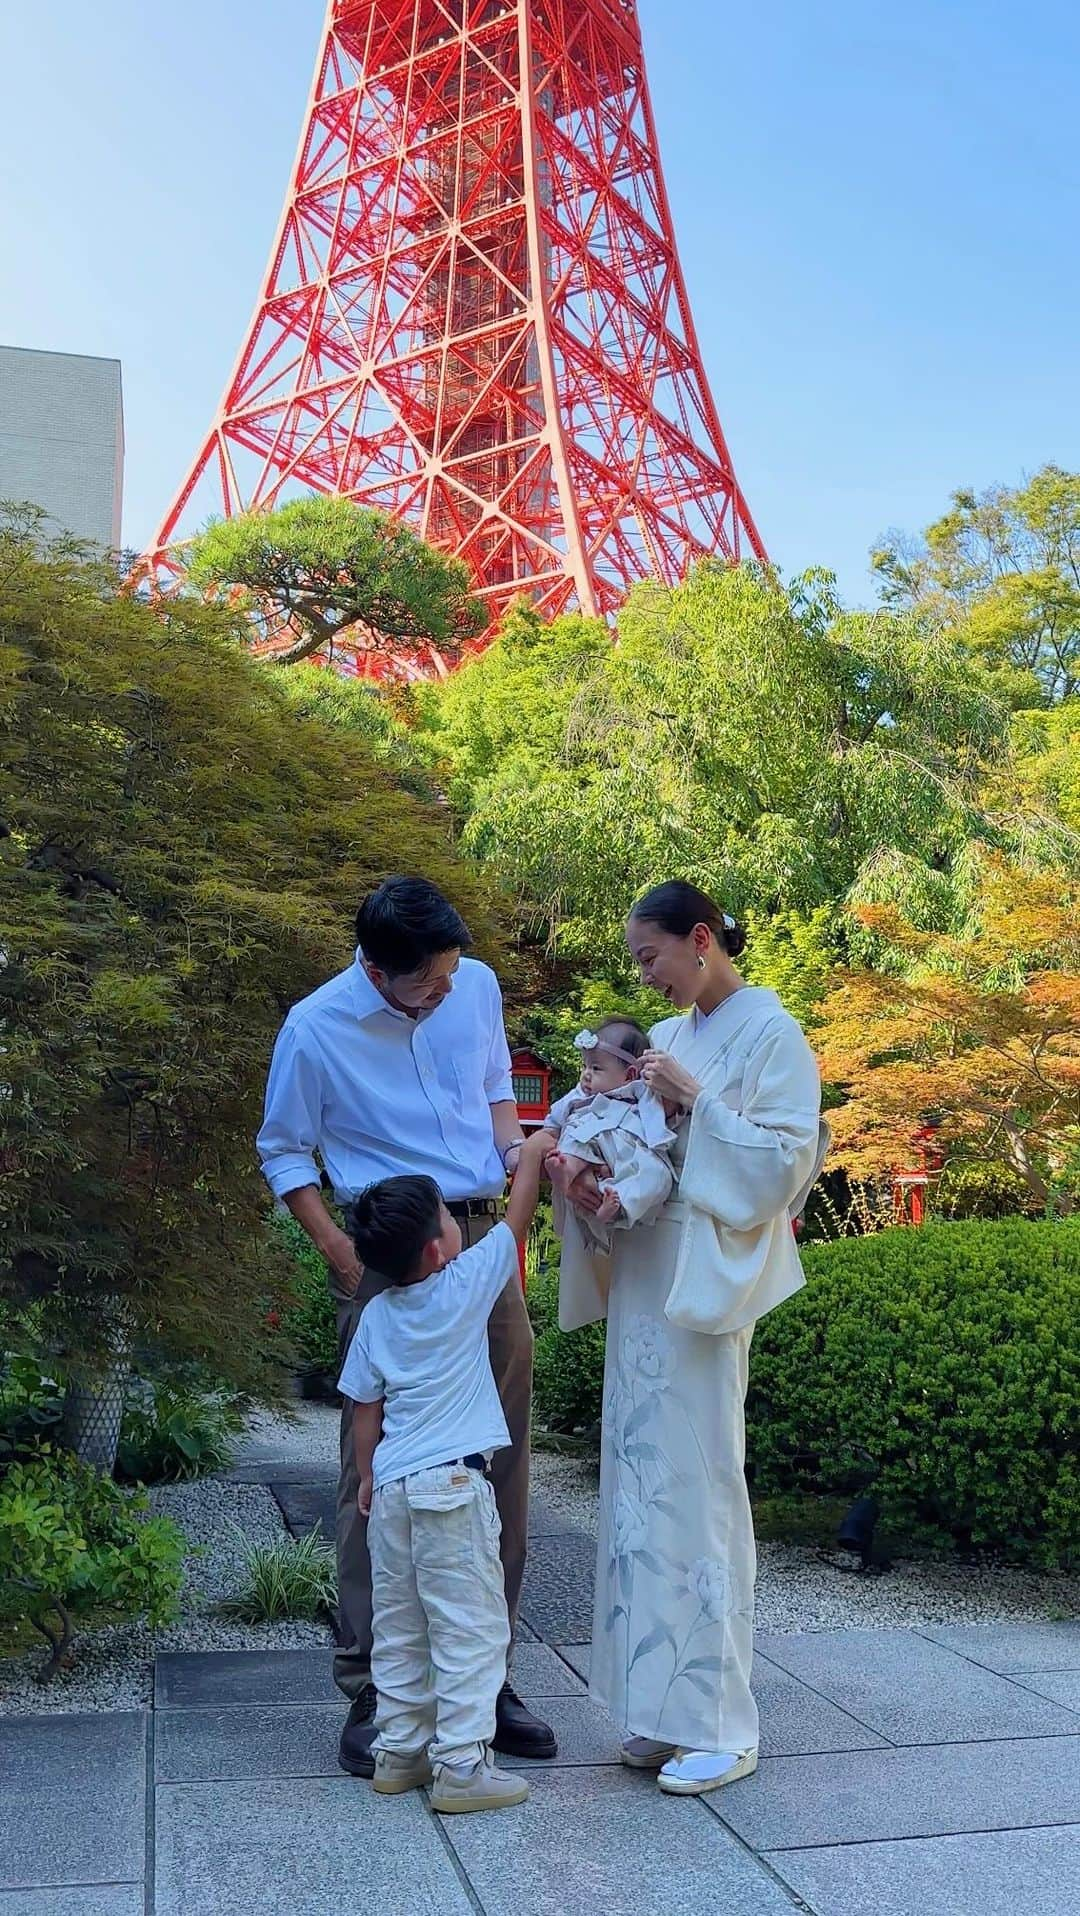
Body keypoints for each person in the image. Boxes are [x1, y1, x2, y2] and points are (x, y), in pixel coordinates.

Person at [257, 876, 556, 1775]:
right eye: (429, 983)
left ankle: (484, 1676)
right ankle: (373, 1687)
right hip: (385, 1256)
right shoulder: (315, 1028)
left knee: (497, 1459)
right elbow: (283, 1150)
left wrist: (520, 1160)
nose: (448, 992)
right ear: (377, 971)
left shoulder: (478, 987)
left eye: (452, 975)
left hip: (476, 1241)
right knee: (374, 1471)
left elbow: (498, 1093)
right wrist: (345, 1263)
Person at [559, 881, 828, 1797]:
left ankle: (720, 1722)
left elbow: (786, 1167)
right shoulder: (662, 1039)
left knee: (702, 1486)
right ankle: (655, 1710)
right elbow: (628, 1145)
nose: (648, 978)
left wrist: (698, 1100)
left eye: (651, 959)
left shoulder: (771, 1033)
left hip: (703, 1288)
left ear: (702, 939)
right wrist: (593, 1189)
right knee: (639, 1489)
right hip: (643, 1272)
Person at [341, 1129, 554, 1814]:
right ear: (439, 1247)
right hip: (454, 1490)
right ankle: (462, 1766)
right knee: (469, 1628)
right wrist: (535, 1148)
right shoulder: (465, 1285)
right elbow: (517, 1213)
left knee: (401, 1627)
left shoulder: (376, 1314)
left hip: (394, 1494)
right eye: (447, 1217)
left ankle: (400, 1753)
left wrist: (369, 1476)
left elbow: (365, 1409)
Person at [541, 1020, 678, 1253]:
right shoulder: (583, 1096)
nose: (585, 1075)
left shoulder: (642, 1092)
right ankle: (566, 1170)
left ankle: (618, 1204)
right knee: (575, 1133)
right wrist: (558, 1120)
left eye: (596, 1068)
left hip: (626, 1144)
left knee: (658, 1175)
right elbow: (558, 1114)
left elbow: (659, 1117)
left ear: (630, 1074)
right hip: (591, 1132)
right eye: (584, 1066)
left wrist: (658, 1140)